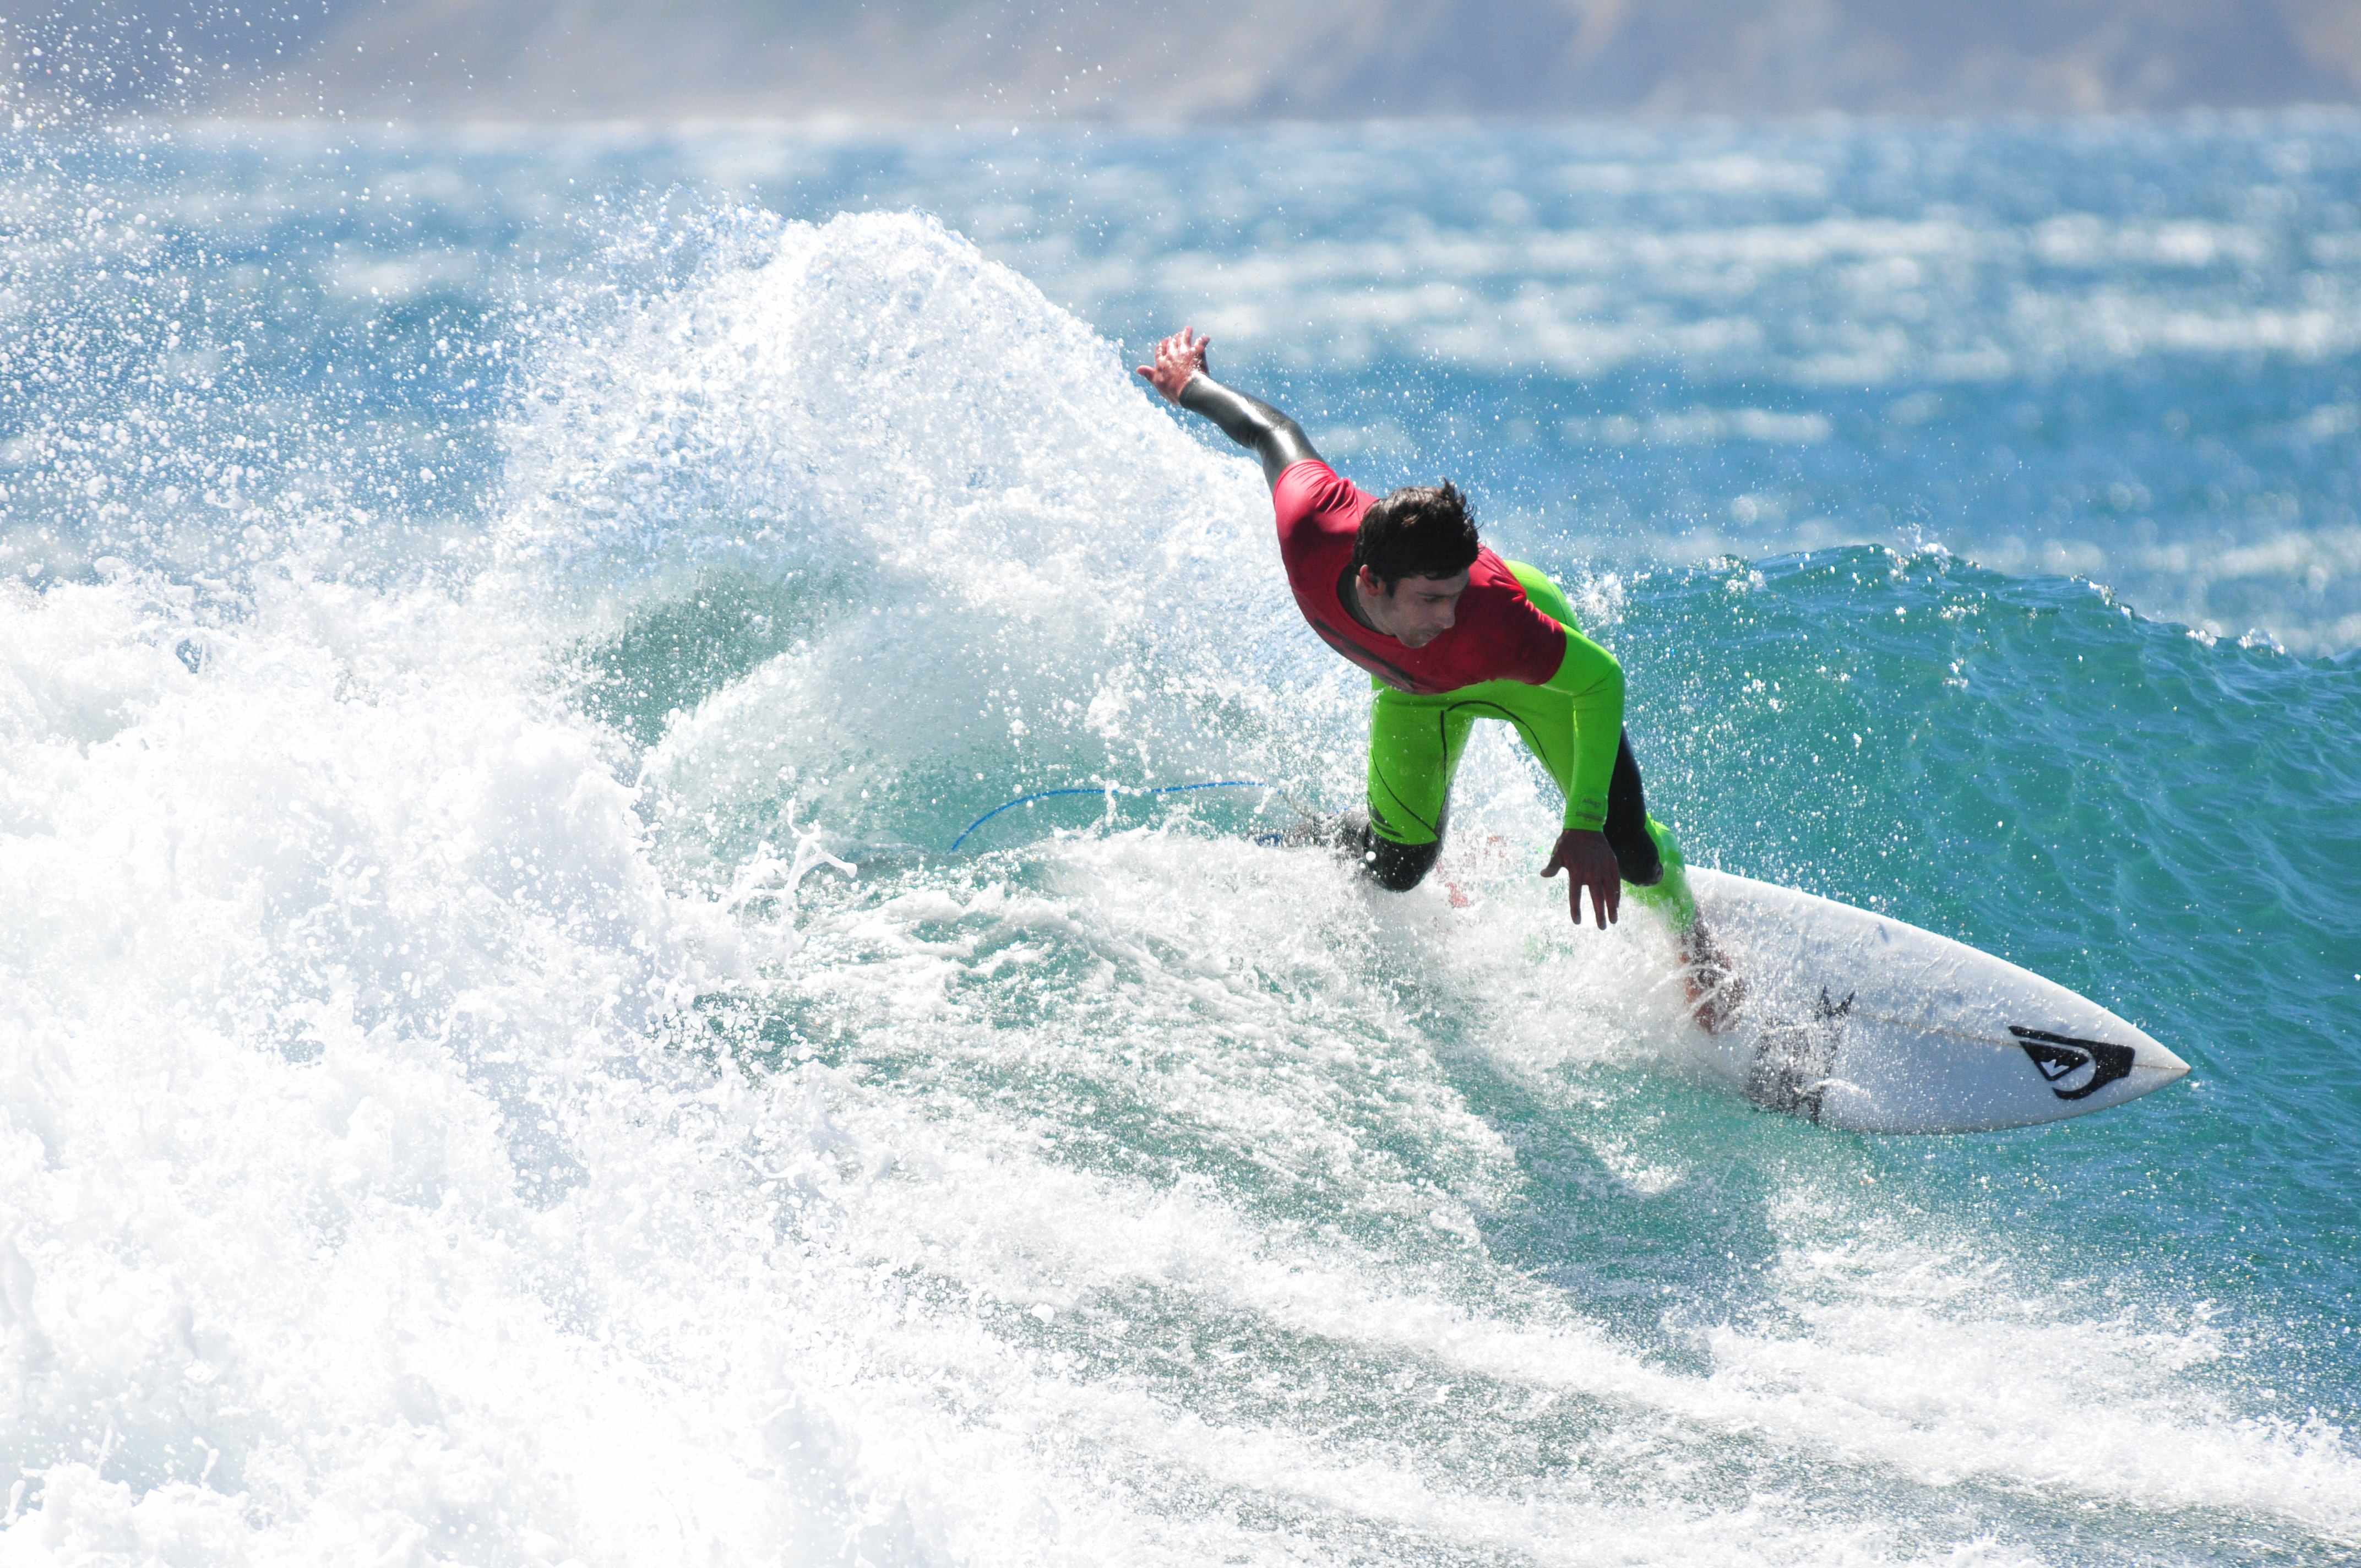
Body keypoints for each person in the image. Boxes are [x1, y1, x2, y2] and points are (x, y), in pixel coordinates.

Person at [1137, 326, 1740, 1029]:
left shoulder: (1495, 619)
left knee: (1628, 848)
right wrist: (1193, 386)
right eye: (1429, 599)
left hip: (1527, 678)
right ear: (1371, 580)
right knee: (1397, 867)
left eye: (1456, 594)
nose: (1449, 617)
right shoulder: (1309, 524)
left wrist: (1582, 826)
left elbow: (1600, 680)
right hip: (1412, 690)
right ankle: (1322, 836)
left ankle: (1695, 937)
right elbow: (1270, 432)